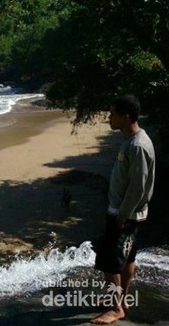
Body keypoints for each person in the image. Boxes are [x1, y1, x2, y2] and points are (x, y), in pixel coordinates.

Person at [91, 95, 155, 325]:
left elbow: (138, 186)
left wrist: (121, 215)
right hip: (127, 213)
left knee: (110, 262)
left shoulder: (137, 145)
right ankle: (119, 300)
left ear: (125, 117)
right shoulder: (132, 139)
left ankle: (116, 308)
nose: (109, 118)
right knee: (127, 258)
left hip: (124, 214)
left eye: (112, 114)